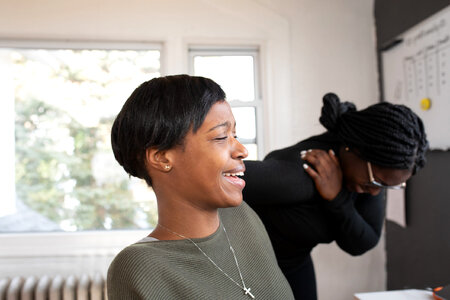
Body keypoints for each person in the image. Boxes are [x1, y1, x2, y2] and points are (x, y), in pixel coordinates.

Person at [107, 75, 295, 300]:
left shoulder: (243, 218)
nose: (242, 150)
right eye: (221, 137)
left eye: (235, 135)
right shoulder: (139, 268)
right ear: (161, 157)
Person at [242, 93, 429, 300]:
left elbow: (362, 242)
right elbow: (215, 178)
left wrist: (338, 199)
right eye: (376, 182)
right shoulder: (304, 173)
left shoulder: (368, 179)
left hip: (294, 264)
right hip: (246, 267)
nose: (376, 191)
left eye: (386, 187)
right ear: (353, 149)